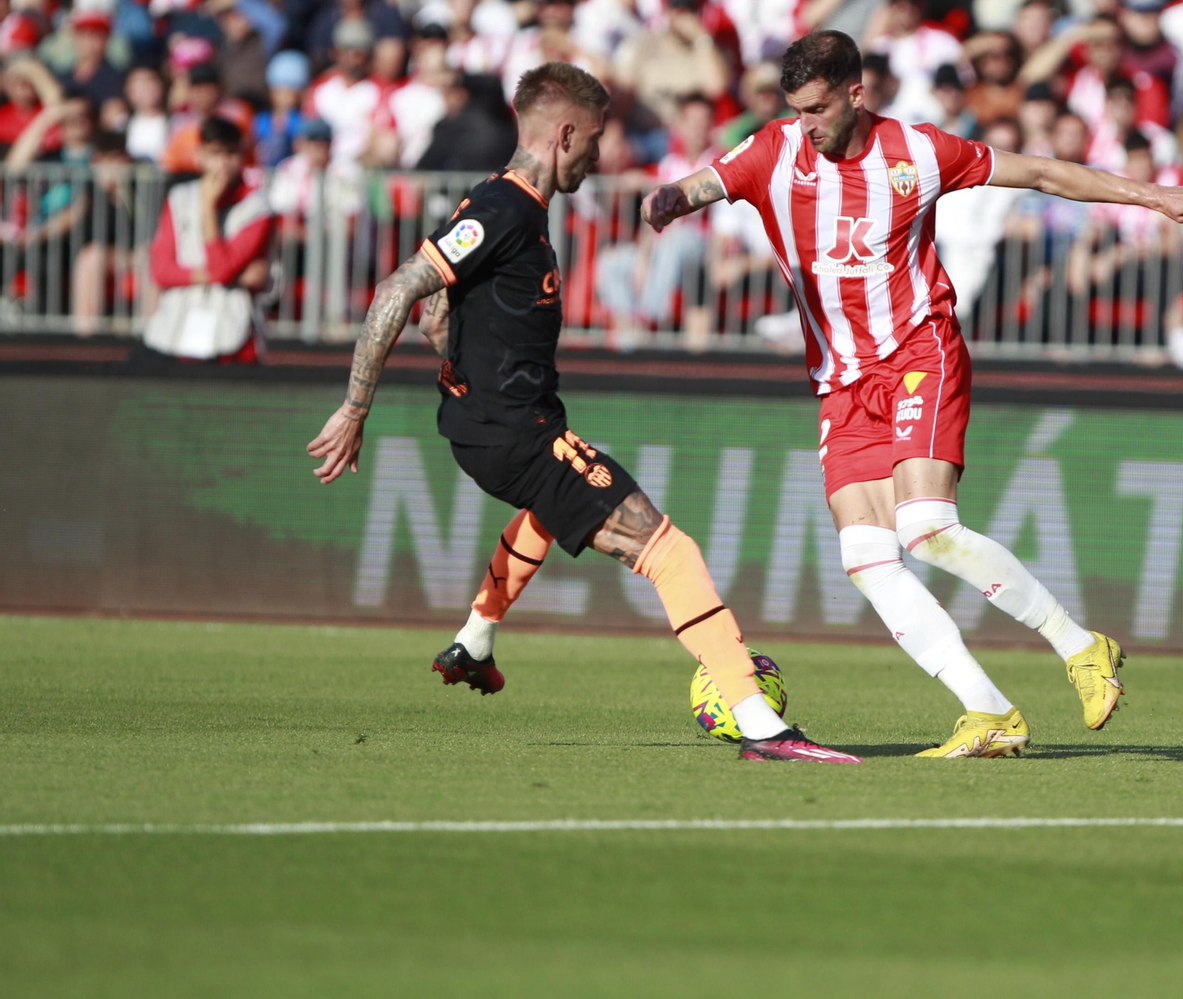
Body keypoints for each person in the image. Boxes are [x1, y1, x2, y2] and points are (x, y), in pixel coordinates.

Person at [640, 30, 1183, 756]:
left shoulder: (917, 153)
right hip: (840, 382)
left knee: (926, 528)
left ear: (857, 92)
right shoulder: (774, 150)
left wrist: (1154, 196)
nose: (807, 125)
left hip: (919, 352)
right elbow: (704, 183)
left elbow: (1040, 174)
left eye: (818, 108)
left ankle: (1081, 646)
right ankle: (990, 712)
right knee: (867, 556)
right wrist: (670, 199)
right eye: (797, 109)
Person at [307, 62, 858, 764]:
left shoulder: (504, 208)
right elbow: (397, 290)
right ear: (563, 134)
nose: (599, 157)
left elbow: (436, 310)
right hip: (515, 433)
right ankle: (760, 724)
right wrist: (356, 408)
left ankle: (475, 638)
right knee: (670, 551)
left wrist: (452, 334)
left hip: (490, 428)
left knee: (552, 507)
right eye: (594, 140)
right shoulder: (502, 209)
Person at [143, 116, 274, 361]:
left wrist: (207, 209)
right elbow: (161, 270)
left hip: (235, 332)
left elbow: (222, 269)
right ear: (200, 155)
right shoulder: (179, 197)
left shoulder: (257, 206)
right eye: (215, 153)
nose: (223, 163)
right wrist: (228, 275)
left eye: (231, 153)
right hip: (177, 327)